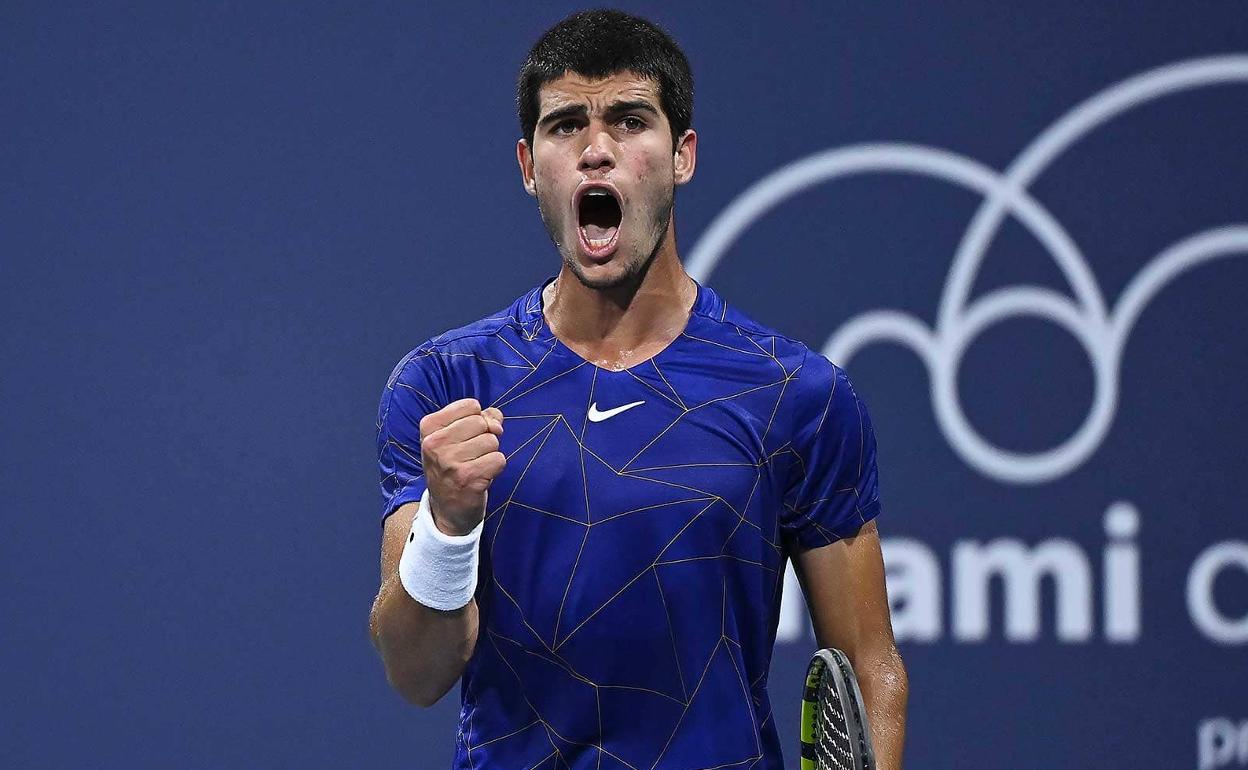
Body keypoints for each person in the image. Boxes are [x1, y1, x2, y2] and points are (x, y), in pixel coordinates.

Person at [369, 9, 907, 769]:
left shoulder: (798, 395)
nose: (596, 150)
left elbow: (867, 666)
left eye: (629, 121)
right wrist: (448, 527)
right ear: (528, 167)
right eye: (565, 126)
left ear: (682, 154)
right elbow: (415, 672)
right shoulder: (445, 383)